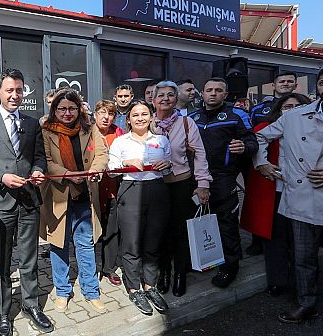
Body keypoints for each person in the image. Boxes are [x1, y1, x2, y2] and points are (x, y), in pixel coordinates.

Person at [0, 68, 52, 336]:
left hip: (29, 199)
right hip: (0, 201)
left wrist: (40, 170)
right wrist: (2, 177)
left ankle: (32, 306)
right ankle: (4, 313)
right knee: (1, 262)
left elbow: (39, 156)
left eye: (19, 90)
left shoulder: (31, 124)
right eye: (10, 90)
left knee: (29, 259)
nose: (15, 95)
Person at [253, 68, 323, 323]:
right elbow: (260, 137)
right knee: (303, 257)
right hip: (303, 196)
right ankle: (306, 303)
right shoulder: (294, 116)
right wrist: (262, 163)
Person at [40, 88, 108, 313]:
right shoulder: (46, 130)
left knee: (85, 244)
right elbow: (47, 161)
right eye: (62, 109)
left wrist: (94, 172)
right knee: (58, 245)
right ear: (54, 110)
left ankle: (91, 291)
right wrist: (69, 175)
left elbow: (102, 154)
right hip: (59, 195)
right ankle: (62, 291)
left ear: (79, 109)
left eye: (71, 108)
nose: (67, 113)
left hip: (85, 194)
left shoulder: (90, 128)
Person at [188, 78, 258, 288]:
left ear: (225, 95)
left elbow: (253, 142)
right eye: (209, 90)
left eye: (218, 90)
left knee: (225, 223)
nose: (213, 93)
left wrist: (244, 146)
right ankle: (204, 258)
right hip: (196, 178)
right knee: (199, 221)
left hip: (223, 178)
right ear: (203, 93)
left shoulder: (237, 115)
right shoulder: (193, 117)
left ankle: (230, 267)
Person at [241, 93, 311, 299]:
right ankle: (277, 281)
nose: (291, 110)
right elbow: (254, 146)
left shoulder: (315, 130)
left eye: (297, 106)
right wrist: (261, 162)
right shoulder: (264, 130)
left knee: (302, 244)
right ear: (279, 110)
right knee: (275, 241)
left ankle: (303, 284)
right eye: (286, 107)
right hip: (274, 194)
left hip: (304, 194)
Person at [107, 100, 172, 315]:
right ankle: (134, 288)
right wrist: (126, 164)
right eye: (135, 115)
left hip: (157, 189)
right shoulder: (120, 142)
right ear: (128, 119)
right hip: (131, 188)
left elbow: (169, 167)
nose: (140, 118)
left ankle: (150, 286)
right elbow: (111, 172)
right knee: (132, 243)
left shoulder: (162, 140)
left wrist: (167, 165)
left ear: (152, 116)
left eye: (144, 114)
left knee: (153, 241)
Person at [151, 81, 212, 297]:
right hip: (156, 185)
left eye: (170, 95)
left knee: (180, 231)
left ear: (176, 100)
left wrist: (203, 184)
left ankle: (180, 274)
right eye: (161, 95)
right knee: (160, 231)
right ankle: (164, 272)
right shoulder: (147, 124)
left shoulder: (187, 123)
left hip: (181, 184)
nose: (165, 98)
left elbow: (200, 154)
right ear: (153, 100)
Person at [93, 100, 124, 286]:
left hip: (113, 189)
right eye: (103, 112)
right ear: (95, 114)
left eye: (110, 113)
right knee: (92, 232)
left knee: (112, 231)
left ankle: (109, 268)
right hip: (93, 191)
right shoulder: (87, 132)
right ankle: (90, 270)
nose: (106, 117)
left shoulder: (118, 133)